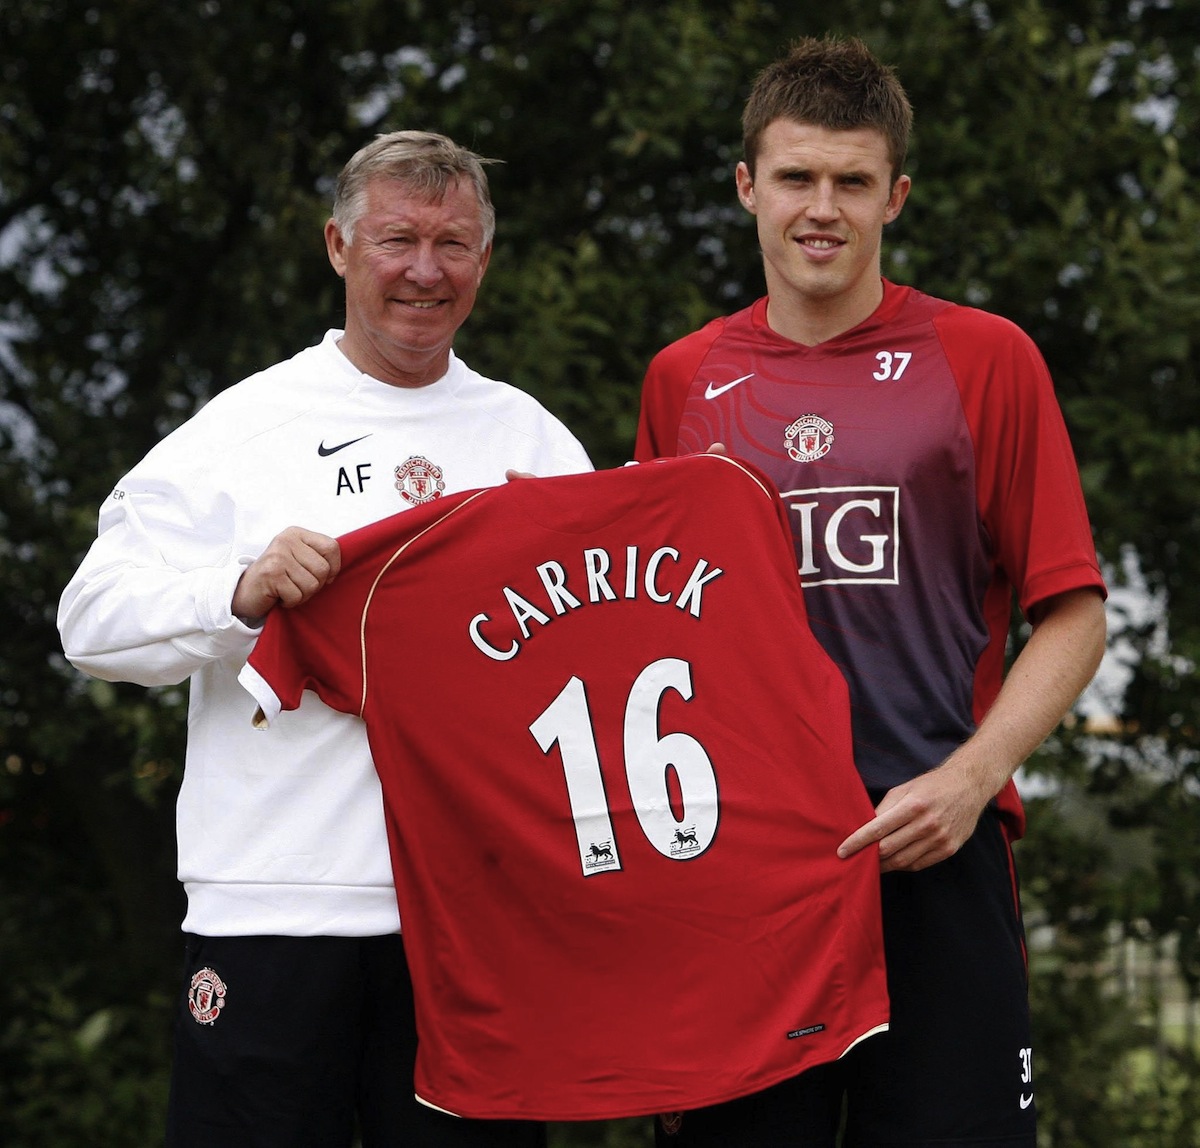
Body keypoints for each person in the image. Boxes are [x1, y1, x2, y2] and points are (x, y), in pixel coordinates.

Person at [58, 130, 591, 1148]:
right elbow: (89, 621)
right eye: (397, 239)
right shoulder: (245, 428)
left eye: (454, 243)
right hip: (272, 903)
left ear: (487, 258)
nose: (424, 271)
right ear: (338, 247)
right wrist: (241, 589)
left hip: (474, 920)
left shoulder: (537, 445)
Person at [635, 35, 1107, 1148]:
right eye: (797, 176)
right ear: (748, 185)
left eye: (853, 181)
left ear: (896, 194)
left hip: (934, 848)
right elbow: (648, 619)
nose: (822, 208)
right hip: (738, 874)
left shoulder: (985, 358)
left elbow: (1075, 614)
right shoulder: (683, 380)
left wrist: (968, 778)